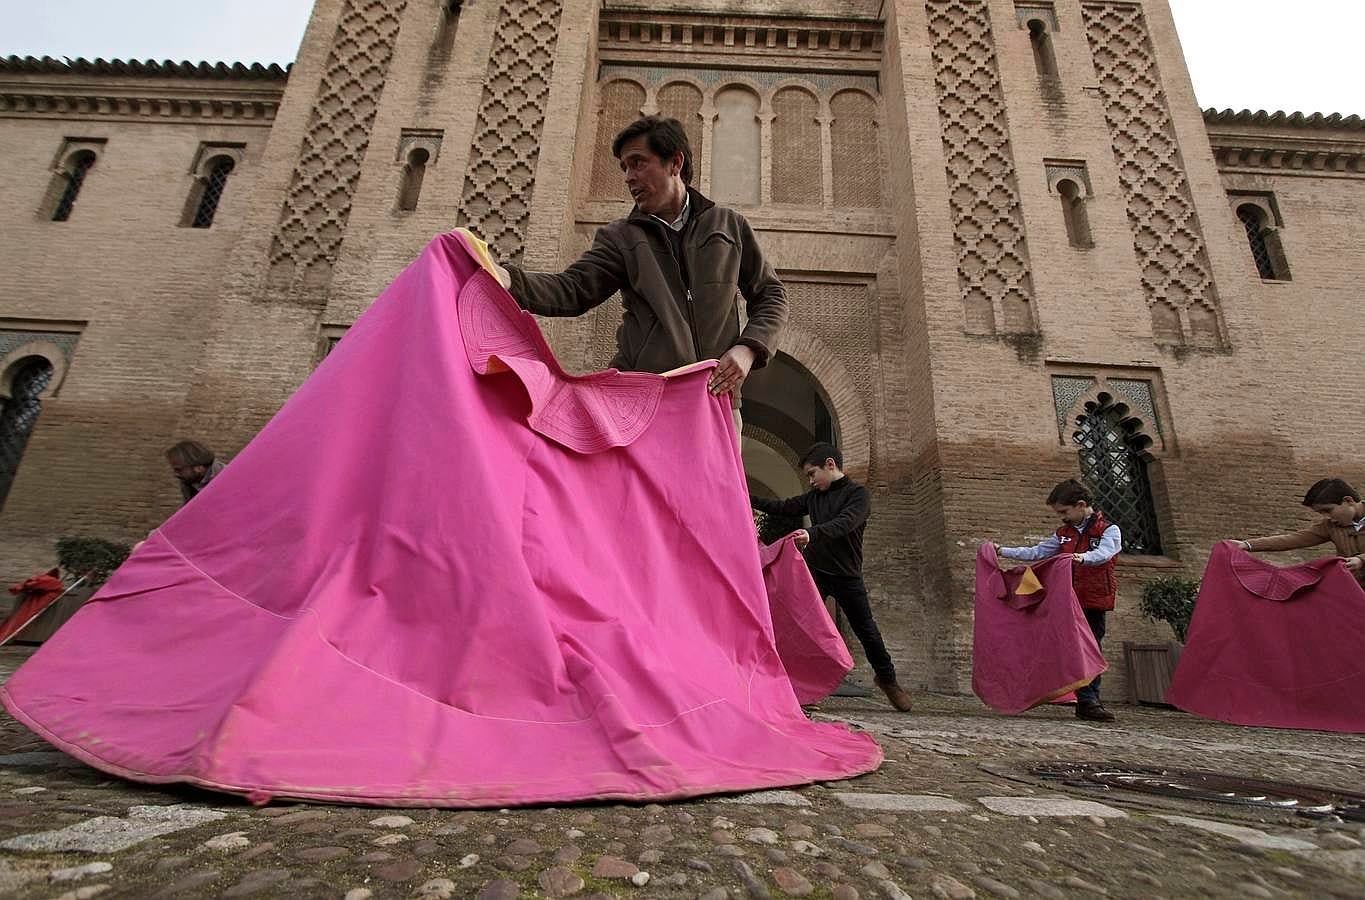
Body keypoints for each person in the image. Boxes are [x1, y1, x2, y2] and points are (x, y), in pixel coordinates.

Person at [488, 115, 787, 432]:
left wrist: (748, 349)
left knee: (719, 485)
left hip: (718, 405)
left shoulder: (729, 226)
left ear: (675, 162)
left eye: (638, 163)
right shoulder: (621, 238)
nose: (629, 177)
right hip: (642, 405)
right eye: (625, 168)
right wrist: (507, 279)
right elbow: (572, 290)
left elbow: (771, 295)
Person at [751, 443, 913, 712]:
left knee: (867, 631)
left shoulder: (858, 495)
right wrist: (745, 493)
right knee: (800, 628)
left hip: (847, 576)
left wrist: (812, 533)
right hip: (815, 572)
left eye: (813, 474)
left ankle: (888, 680)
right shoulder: (813, 498)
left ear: (830, 464)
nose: (811, 481)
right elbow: (780, 507)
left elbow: (845, 523)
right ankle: (802, 687)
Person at [994, 479, 1121, 722]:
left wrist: (1079, 558)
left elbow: (1105, 554)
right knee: (1067, 646)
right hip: (1067, 599)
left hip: (1093, 600)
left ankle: (1089, 700)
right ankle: (1066, 693)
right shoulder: (1064, 534)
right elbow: (1037, 552)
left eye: (1064, 511)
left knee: (1090, 647)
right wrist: (1003, 551)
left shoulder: (1108, 530)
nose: (1062, 517)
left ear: (1081, 505)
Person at [1234, 478, 1365, 582]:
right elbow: (1295, 539)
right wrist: (1247, 545)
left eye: (1328, 510)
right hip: (1354, 592)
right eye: (1321, 513)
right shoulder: (1330, 526)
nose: (1326, 517)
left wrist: (1361, 560)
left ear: (1348, 500)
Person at [166, 440, 224, 505]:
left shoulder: (226, 480)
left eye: (179, 469)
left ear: (199, 468)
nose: (176, 474)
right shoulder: (189, 480)